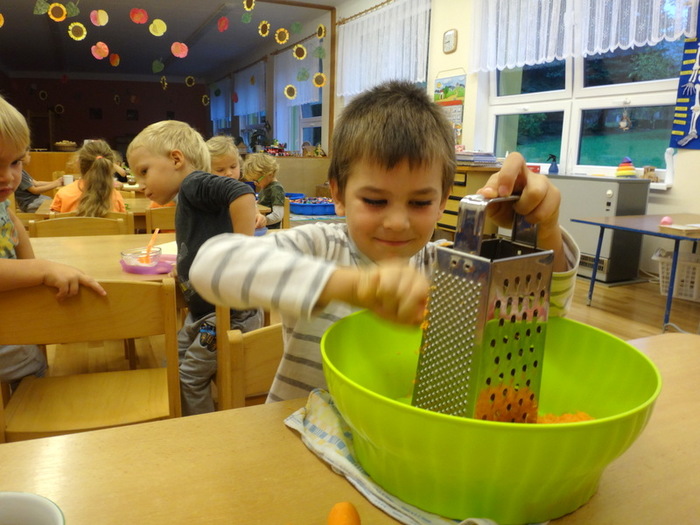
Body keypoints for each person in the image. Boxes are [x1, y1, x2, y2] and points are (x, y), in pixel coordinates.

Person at [189, 80, 580, 403]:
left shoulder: (448, 268)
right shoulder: (320, 247)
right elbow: (213, 266)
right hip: (301, 439)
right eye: (375, 201)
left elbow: (541, 317)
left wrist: (543, 229)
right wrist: (354, 286)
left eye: (420, 202)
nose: (396, 222)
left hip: (396, 443)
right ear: (338, 194)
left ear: (444, 201)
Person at [126, 120, 263, 416]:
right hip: (206, 313)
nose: (140, 184)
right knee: (173, 361)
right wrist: (184, 267)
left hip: (228, 315)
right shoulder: (189, 196)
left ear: (176, 159)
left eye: (144, 171)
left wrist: (241, 252)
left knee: (188, 378)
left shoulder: (193, 184)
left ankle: (202, 433)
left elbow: (242, 193)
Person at [0, 94, 106, 390]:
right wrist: (42, 269)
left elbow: (12, 221)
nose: (8, 177)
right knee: (33, 364)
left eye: (16, 162)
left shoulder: (2, 202)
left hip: (13, 308)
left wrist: (31, 263)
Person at [50, 140, 126, 215]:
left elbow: (54, 221)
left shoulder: (63, 194)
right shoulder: (116, 197)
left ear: (78, 164)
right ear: (109, 166)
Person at [243, 152, 286, 229]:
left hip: (268, 229)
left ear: (269, 174)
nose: (255, 183)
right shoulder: (265, 187)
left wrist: (263, 220)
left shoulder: (276, 188)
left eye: (257, 180)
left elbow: (278, 215)